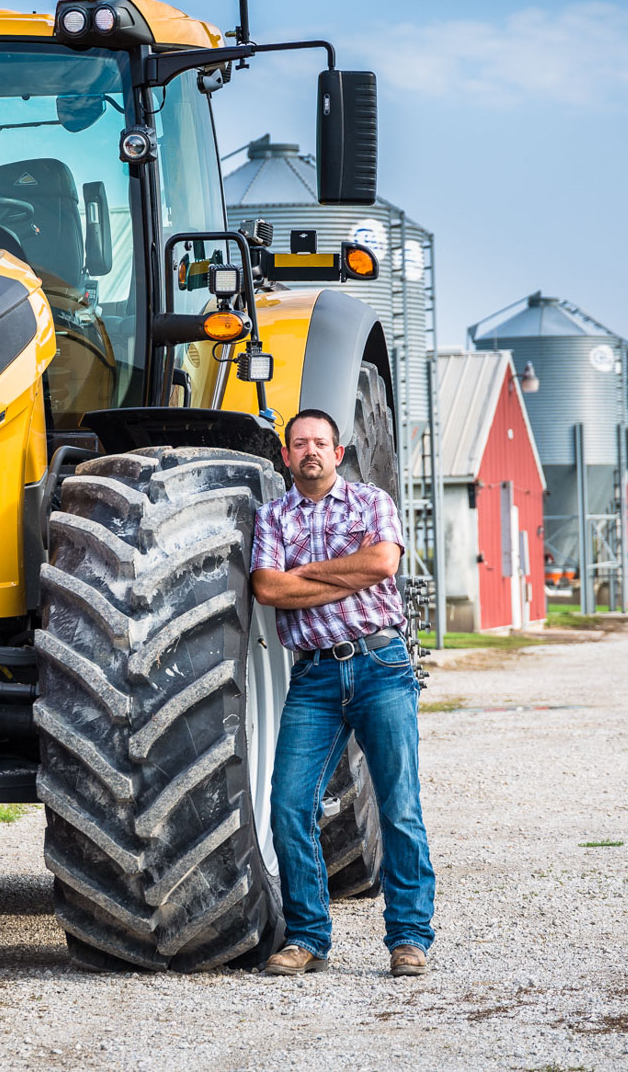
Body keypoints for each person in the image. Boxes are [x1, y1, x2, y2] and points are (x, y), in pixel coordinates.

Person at [249, 408, 436, 978]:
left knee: (399, 805)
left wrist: (304, 578)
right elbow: (266, 587)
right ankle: (307, 937)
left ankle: (409, 938)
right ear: (286, 456)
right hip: (315, 677)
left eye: (320, 443)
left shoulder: (372, 501)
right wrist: (346, 574)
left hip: (381, 664)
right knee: (287, 805)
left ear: (337, 452)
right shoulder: (271, 516)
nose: (310, 450)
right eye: (299, 443)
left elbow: (382, 563)